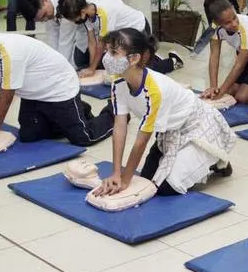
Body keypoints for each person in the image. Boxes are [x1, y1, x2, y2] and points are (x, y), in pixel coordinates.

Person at [96, 28, 235, 197]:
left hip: (198, 127)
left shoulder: (154, 90)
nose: (107, 57)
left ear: (134, 58)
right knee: (148, 179)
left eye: (113, 52)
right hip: (171, 130)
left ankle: (215, 160)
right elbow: (120, 126)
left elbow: (141, 141)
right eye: (107, 50)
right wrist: (116, 173)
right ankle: (200, 160)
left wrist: (126, 180)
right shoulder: (118, 81)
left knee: (167, 187)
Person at [0, 25, 114, 148]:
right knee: (29, 135)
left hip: (60, 89)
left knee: (83, 138)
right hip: (34, 94)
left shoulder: (9, 53)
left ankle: (113, 111)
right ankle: (78, 111)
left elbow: (5, 100)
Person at [55, 0, 182, 76]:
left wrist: (92, 69)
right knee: (107, 65)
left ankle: (173, 61)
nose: (74, 22)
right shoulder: (87, 13)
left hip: (138, 30)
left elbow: (100, 44)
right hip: (121, 36)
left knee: (138, 72)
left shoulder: (103, 11)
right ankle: (151, 56)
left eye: (74, 18)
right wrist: (91, 68)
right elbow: (92, 42)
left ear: (82, 11)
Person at [202, 0, 248, 105]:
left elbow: (239, 66)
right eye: (228, 22)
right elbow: (214, 57)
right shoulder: (214, 29)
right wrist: (214, 87)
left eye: (234, 17)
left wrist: (221, 92)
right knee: (228, 92)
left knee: (242, 97)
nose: (234, 23)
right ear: (217, 22)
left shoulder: (247, 30)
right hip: (247, 54)